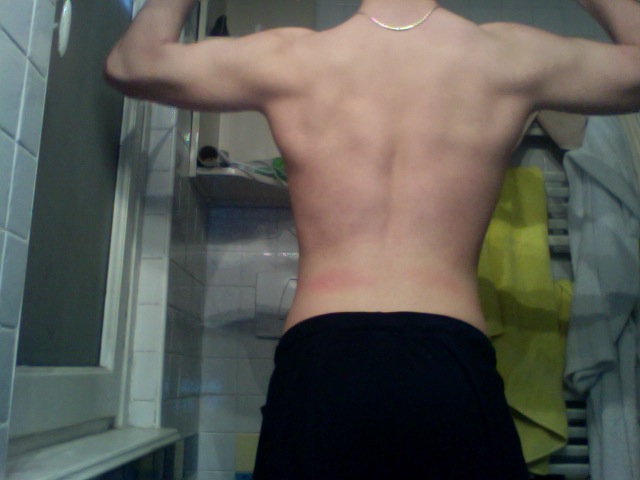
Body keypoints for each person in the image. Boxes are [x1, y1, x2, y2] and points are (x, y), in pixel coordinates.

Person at [105, 0, 640, 478]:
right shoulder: (505, 57)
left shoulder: (292, 57)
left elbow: (132, 62)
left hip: (322, 365)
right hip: (449, 366)